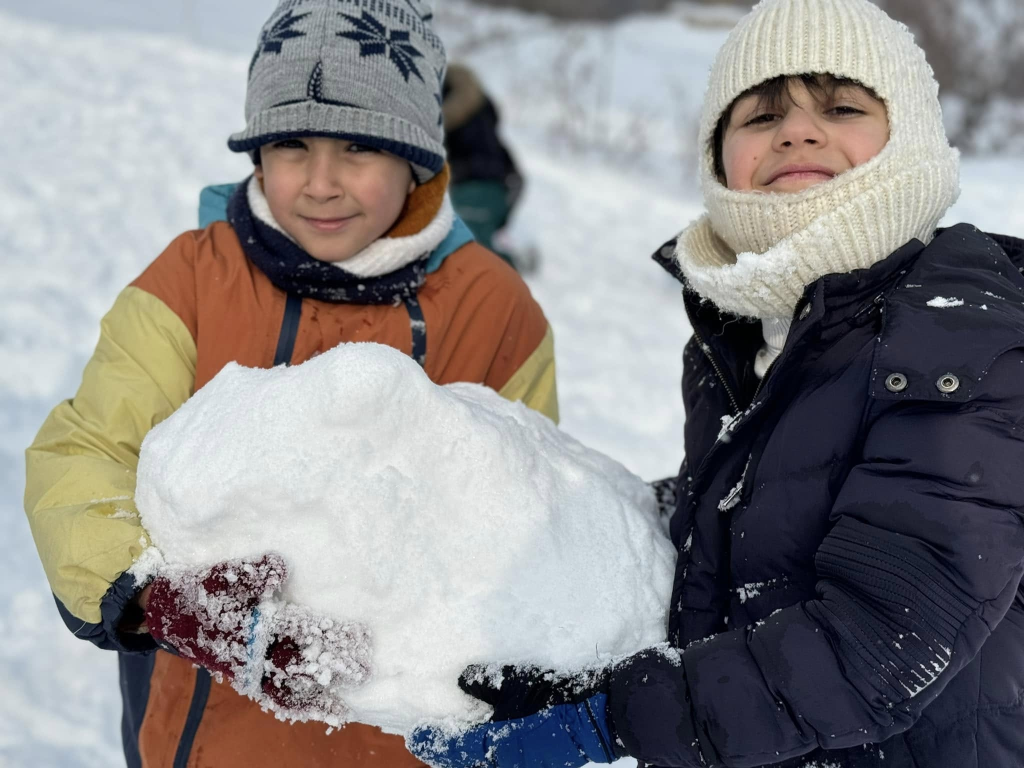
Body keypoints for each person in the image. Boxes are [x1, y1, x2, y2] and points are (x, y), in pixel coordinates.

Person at [407, 0, 1024, 766]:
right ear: (719, 154)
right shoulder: (747, 335)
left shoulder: (964, 333)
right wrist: (554, 646)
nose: (797, 131)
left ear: (912, 137)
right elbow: (739, 530)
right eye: (760, 117)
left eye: (841, 106)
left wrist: (612, 718)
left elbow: (881, 638)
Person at [23, 1, 559, 766]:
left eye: (358, 148)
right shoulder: (191, 281)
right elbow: (83, 455)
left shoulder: (494, 308)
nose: (320, 182)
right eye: (292, 144)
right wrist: (161, 600)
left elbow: (525, 518)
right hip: (198, 734)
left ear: (414, 155)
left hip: (399, 741)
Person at [442, 63, 534, 272]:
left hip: (474, 184)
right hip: (500, 183)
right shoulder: (481, 107)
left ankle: (512, 270)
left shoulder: (449, 114)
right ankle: (513, 265)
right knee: (467, 244)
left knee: (469, 248)